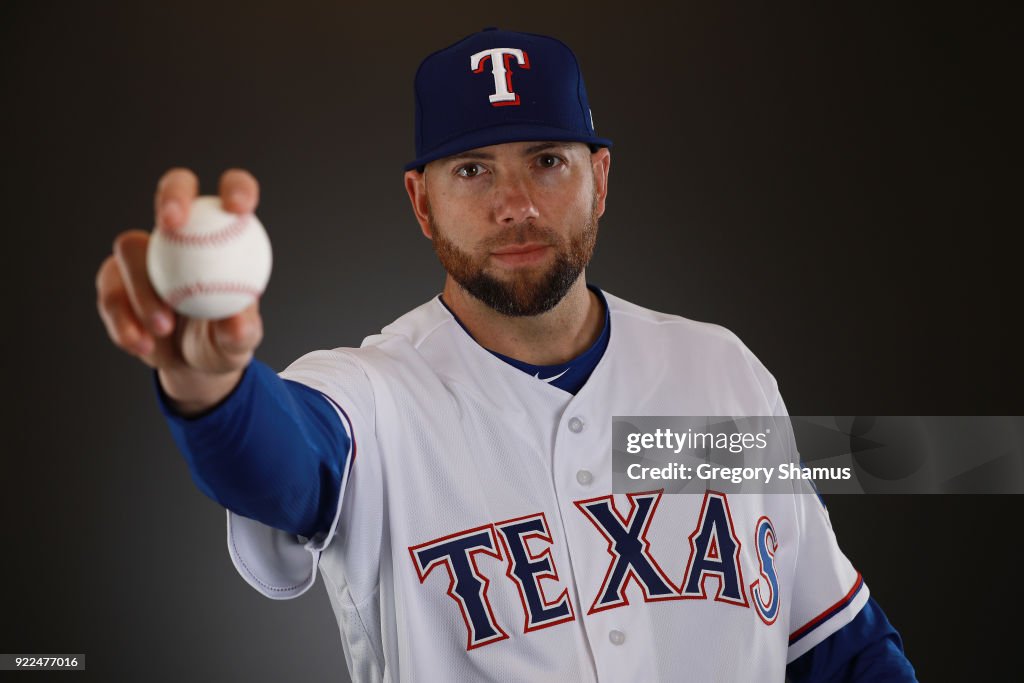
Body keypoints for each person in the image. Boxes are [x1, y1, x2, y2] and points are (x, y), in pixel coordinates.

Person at [96, 28, 916, 682]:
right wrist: (207, 383)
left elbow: (836, 645)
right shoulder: (376, 396)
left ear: (600, 177)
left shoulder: (720, 371)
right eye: (473, 168)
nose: (514, 204)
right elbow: (281, 459)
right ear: (423, 202)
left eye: (547, 162)